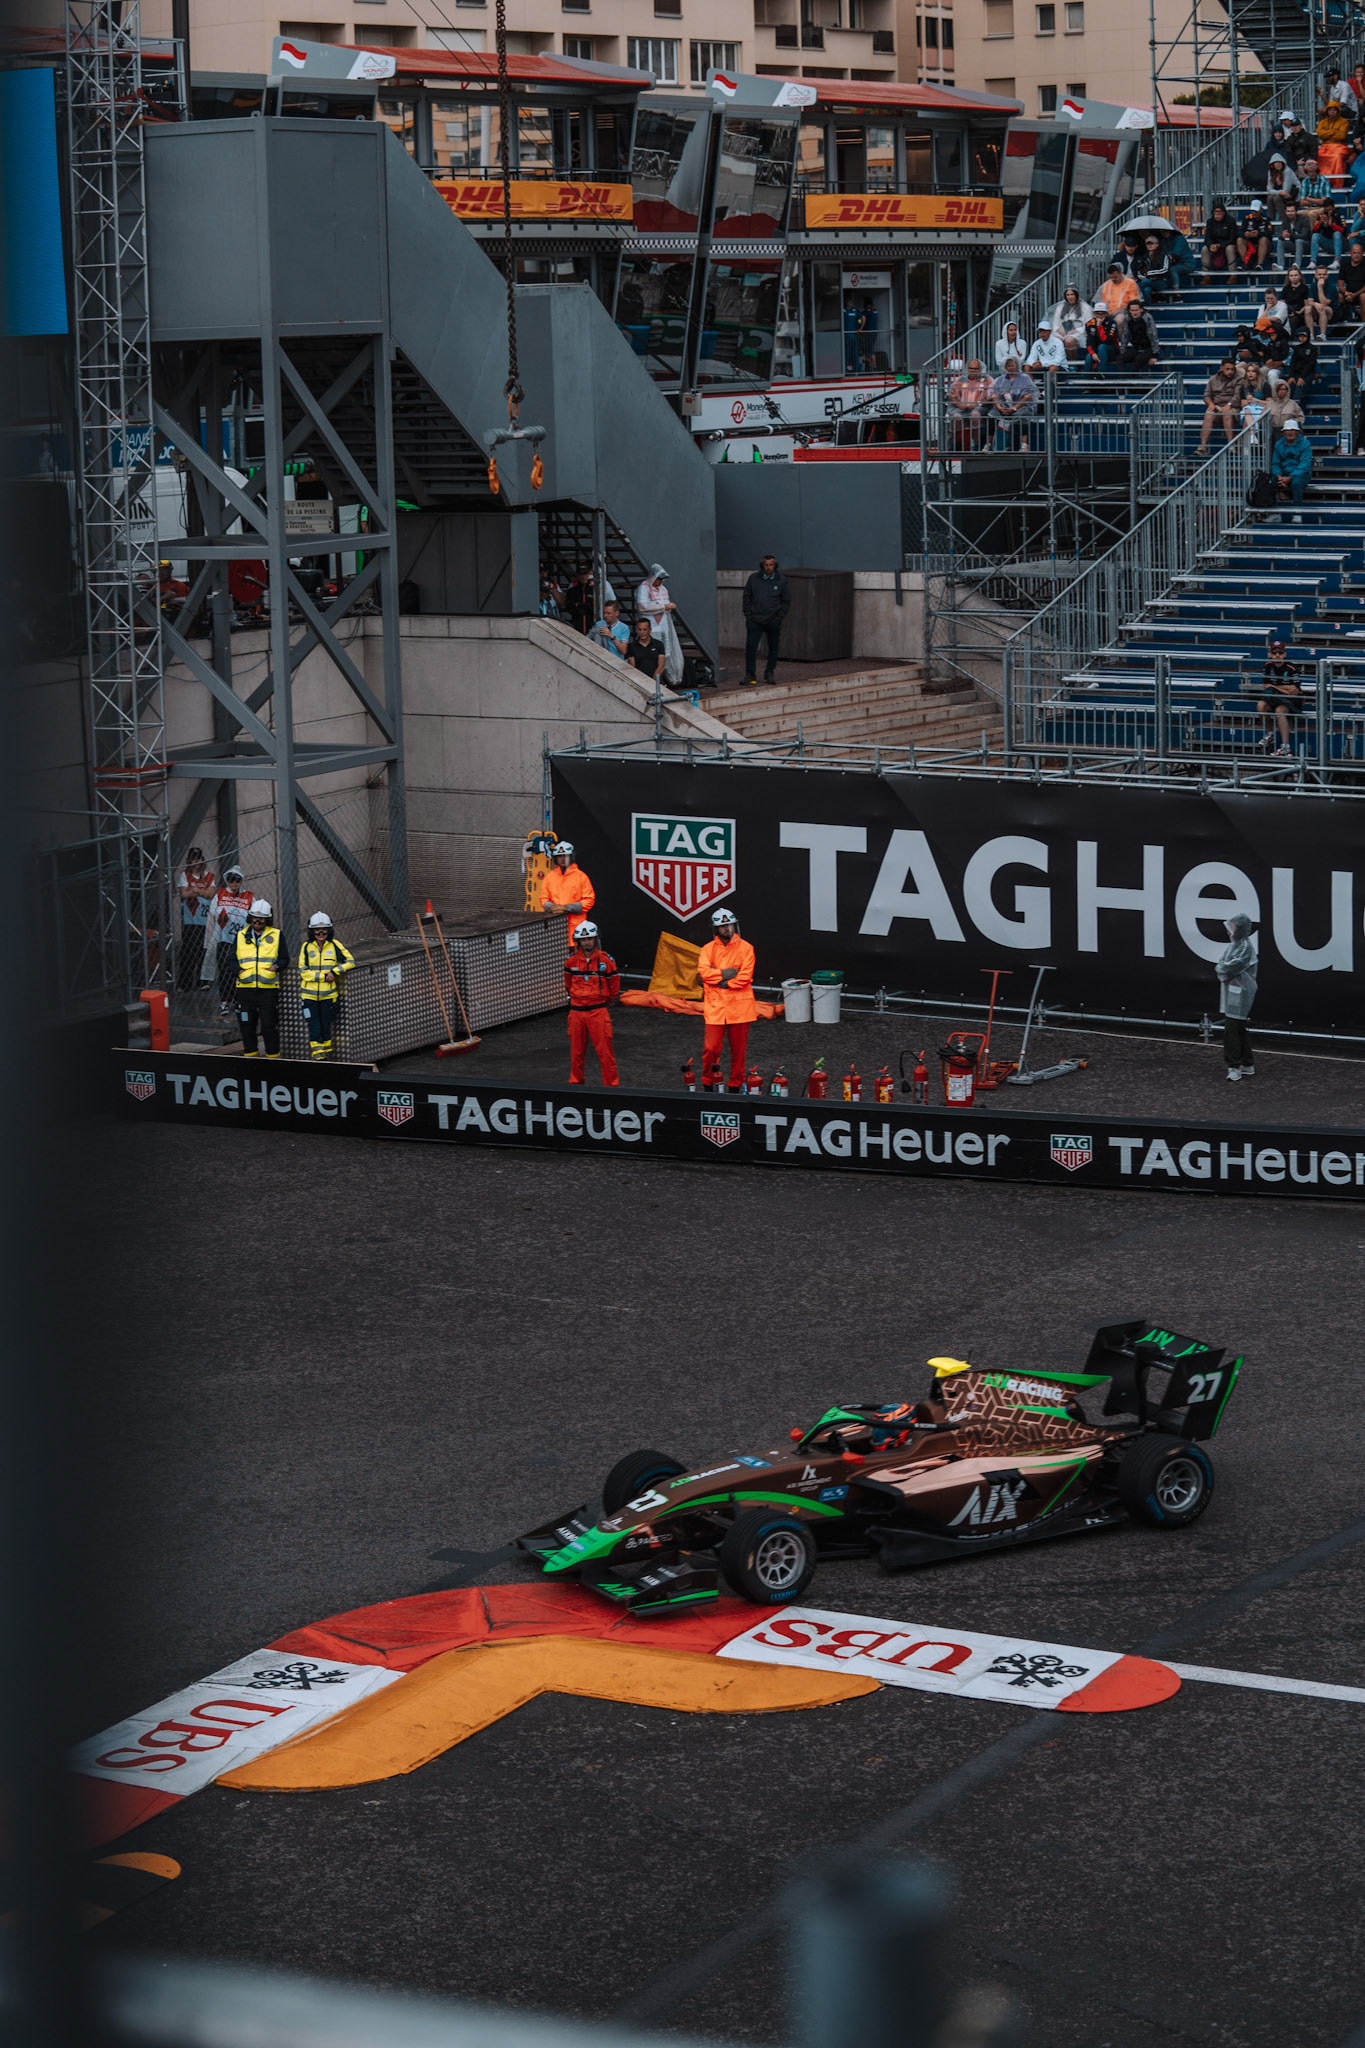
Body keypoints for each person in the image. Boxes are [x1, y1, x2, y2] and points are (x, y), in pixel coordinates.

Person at [697, 907, 756, 1094]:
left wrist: (722, 982)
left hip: (740, 1008)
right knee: (711, 1048)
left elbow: (745, 977)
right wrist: (726, 973)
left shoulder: (746, 948)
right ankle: (708, 1082)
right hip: (715, 1007)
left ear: (734, 925)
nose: (727, 929)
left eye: (729, 925)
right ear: (716, 928)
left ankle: (735, 1086)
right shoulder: (707, 949)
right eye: (723, 926)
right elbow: (704, 973)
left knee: (738, 1052)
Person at [563, 919, 620, 1086]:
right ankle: (576, 1085)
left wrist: (602, 1001)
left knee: (606, 1053)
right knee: (576, 1054)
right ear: (578, 941)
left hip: (598, 1012)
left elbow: (614, 987)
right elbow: (568, 984)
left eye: (590, 939)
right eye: (584, 940)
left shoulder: (606, 961)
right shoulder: (570, 961)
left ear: (596, 939)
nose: (587, 942)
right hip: (577, 1012)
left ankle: (611, 1088)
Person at [297, 910, 353, 1061]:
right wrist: (323, 977)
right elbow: (303, 971)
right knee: (314, 1024)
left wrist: (335, 972)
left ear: (329, 930)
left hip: (328, 995)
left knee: (325, 1024)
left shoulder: (335, 945)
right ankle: (318, 1054)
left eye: (324, 930)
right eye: (317, 930)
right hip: (309, 996)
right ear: (311, 931)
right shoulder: (306, 947)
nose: (321, 933)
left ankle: (326, 1053)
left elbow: (350, 962)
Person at [235, 899, 284, 1059]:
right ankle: (251, 1057)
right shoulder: (240, 936)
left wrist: (276, 967)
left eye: (261, 918)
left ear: (267, 919)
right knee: (246, 1026)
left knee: (269, 1026)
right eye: (255, 917)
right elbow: (230, 959)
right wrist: (238, 971)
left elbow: (284, 958)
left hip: (267, 990)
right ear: (250, 917)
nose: (257, 921)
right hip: (245, 989)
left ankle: (273, 1057)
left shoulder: (277, 935)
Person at [1215, 914, 1258, 1080]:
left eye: (1233, 927)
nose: (1229, 930)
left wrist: (1220, 969)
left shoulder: (1244, 947)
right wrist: (1221, 967)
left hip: (1240, 992)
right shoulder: (1236, 945)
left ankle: (1234, 1067)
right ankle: (1247, 1063)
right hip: (1235, 991)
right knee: (1238, 1027)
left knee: (1231, 1029)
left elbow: (1230, 967)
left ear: (1240, 929)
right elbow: (1224, 963)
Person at [206, 863, 253, 1010]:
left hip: (241, 941)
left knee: (240, 970)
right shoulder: (220, 895)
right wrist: (209, 940)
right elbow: (211, 916)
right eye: (231, 880)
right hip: (223, 939)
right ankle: (225, 1001)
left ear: (241, 880)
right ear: (227, 880)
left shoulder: (249, 896)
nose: (234, 883)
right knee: (225, 971)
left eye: (237, 880)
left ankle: (238, 1000)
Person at [1249, 639, 1305, 754]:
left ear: (1285, 654)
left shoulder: (1292, 668)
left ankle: (1285, 748)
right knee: (1261, 705)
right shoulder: (1267, 666)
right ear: (1270, 654)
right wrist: (1285, 688)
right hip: (1274, 697)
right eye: (1274, 653)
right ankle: (1270, 734)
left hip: (1291, 701)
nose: (1277, 655)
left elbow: (1294, 691)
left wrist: (1275, 687)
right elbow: (1267, 686)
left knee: (1279, 711)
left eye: (1280, 652)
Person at [742, 553, 790, 684]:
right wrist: (748, 615)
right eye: (766, 565)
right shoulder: (754, 578)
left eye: (771, 565)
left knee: (773, 647)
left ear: (775, 565)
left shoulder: (782, 580)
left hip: (773, 619)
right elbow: (747, 597)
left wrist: (779, 617)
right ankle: (750, 674)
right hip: (755, 619)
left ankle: (769, 673)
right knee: (751, 646)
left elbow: (786, 601)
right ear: (762, 565)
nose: (768, 567)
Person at [176, 846, 215, 992]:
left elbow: (210, 894)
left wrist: (195, 890)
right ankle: (184, 984)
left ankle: (202, 981)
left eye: (198, 858)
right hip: (190, 920)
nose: (196, 861)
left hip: (205, 920)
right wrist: (202, 891)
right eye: (193, 858)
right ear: (189, 860)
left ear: (201, 859)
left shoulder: (209, 876)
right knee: (188, 951)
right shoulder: (185, 875)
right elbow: (184, 894)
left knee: (203, 951)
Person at [635, 564, 682, 683]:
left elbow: (665, 605)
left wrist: (669, 606)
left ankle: (665, 677)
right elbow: (642, 607)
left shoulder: (663, 589)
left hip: (663, 625)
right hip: (651, 626)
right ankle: (653, 678)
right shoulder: (644, 588)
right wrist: (663, 607)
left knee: (666, 652)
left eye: (662, 579)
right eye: (659, 579)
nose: (660, 582)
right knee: (652, 653)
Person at [540, 840, 595, 936]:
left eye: (565, 856)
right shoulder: (550, 877)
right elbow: (543, 898)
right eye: (560, 856)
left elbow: (589, 900)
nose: (563, 859)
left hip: (576, 928)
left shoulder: (581, 877)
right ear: (555, 858)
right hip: (555, 925)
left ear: (571, 857)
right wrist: (551, 907)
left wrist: (568, 908)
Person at [1198, 358, 1245, 452]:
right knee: (1209, 413)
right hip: (1217, 406)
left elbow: (1237, 396)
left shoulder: (1239, 379)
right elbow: (1207, 395)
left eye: (1232, 369)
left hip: (1233, 408)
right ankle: (1203, 446)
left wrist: (1229, 404)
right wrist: (1211, 404)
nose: (1230, 372)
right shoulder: (1213, 379)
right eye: (1227, 369)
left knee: (1227, 413)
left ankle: (1231, 445)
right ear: (1221, 368)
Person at [1270, 417, 1312, 518]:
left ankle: (1297, 513)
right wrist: (1279, 476)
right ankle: (1274, 513)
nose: (1290, 432)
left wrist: (1290, 477)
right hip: (1284, 473)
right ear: (1283, 432)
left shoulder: (1305, 444)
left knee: (1296, 483)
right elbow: (1275, 462)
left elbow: (1304, 464)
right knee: (1271, 481)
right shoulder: (1279, 444)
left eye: (1293, 430)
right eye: (1287, 430)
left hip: (1301, 474)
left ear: (1297, 432)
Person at [947, 359, 992, 446]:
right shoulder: (960, 379)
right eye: (971, 368)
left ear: (980, 369)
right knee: (956, 417)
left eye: (976, 369)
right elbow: (952, 396)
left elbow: (991, 397)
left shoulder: (987, 379)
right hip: (962, 408)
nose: (973, 371)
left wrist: (978, 404)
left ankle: (977, 444)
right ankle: (955, 444)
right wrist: (959, 405)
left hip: (981, 407)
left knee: (975, 415)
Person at [1048, 284, 1092, 359]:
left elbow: (1089, 324)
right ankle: (1057, 363)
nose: (1070, 297)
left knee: (1069, 341)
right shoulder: (1060, 307)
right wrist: (1058, 329)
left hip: (1079, 334)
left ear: (1077, 295)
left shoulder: (1086, 307)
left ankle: (1072, 363)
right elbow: (1055, 323)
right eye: (1068, 295)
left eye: (1072, 294)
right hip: (1062, 332)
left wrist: (1076, 330)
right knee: (1054, 340)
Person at [1118, 303, 1159, 370]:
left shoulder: (1147, 317)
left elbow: (1153, 335)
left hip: (1149, 348)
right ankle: (1123, 376)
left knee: (1139, 359)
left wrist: (1155, 355)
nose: (1134, 312)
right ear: (1129, 311)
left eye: (1136, 310)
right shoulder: (1127, 318)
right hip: (1136, 348)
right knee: (1119, 358)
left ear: (1141, 310)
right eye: (1132, 310)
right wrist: (1123, 351)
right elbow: (1125, 335)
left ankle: (1133, 376)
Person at [625, 615, 666, 681]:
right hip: (639, 682)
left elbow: (661, 666)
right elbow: (633, 667)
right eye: (639, 629)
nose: (642, 632)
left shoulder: (658, 644)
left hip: (657, 683)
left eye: (644, 629)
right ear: (637, 630)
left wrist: (652, 682)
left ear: (650, 630)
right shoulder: (631, 646)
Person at [1284, 326, 1318, 405]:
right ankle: (1286, 404)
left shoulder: (1313, 348)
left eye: (1304, 336)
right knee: (1290, 384)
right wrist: (1291, 376)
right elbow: (1293, 362)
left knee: (1300, 385)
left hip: (1307, 373)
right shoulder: (1296, 348)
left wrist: (1302, 377)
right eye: (1300, 336)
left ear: (1308, 336)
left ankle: (1296, 405)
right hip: (1296, 373)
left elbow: (1311, 364)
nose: (1302, 338)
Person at [1201, 202, 1238, 274]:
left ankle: (1233, 273)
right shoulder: (1210, 221)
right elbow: (1207, 237)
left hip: (1227, 244)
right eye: (1215, 212)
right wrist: (1211, 245)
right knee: (1205, 249)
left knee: (1230, 248)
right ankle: (1206, 274)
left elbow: (1233, 239)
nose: (1217, 214)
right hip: (1214, 245)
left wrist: (1220, 245)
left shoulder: (1231, 221)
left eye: (1219, 212)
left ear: (1224, 212)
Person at [1305, 259, 1338, 338]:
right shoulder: (1313, 285)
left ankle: (1323, 334)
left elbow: (1325, 303)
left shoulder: (1332, 286)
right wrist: (1315, 304)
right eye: (1319, 274)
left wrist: (1320, 287)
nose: (1321, 276)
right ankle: (1311, 335)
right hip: (1318, 310)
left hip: (1332, 312)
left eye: (1324, 274)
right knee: (1308, 308)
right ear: (1315, 275)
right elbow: (1309, 301)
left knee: (1322, 308)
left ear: (1327, 275)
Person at [1310, 198, 1347, 266]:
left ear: (1333, 208)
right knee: (1315, 235)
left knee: (1336, 233)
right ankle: (1313, 261)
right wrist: (1320, 223)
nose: (1328, 212)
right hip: (1329, 244)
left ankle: (1337, 260)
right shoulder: (1321, 216)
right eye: (1326, 210)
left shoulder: (1339, 215)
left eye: (1329, 210)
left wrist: (1332, 225)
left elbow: (1344, 231)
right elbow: (1314, 231)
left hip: (1341, 245)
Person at [1236, 201, 1271, 270]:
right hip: (1250, 244)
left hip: (1264, 245)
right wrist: (1245, 234)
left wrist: (1259, 233)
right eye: (1253, 211)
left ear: (1261, 210)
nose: (1254, 213)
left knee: (1263, 239)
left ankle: (1259, 264)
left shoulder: (1266, 220)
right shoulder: (1247, 219)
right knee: (1239, 240)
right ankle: (1245, 263)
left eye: (1256, 211)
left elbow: (1270, 233)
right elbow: (1239, 232)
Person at [1337, 238, 1365, 318]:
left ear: (1362, 253)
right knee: (1339, 296)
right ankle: (1340, 319)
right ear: (1350, 253)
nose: (1356, 255)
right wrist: (1346, 293)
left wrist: (1355, 295)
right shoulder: (1344, 266)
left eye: (1358, 253)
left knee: (1363, 297)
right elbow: (1340, 284)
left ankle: (1363, 323)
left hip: (1361, 294)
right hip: (1348, 294)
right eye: (1354, 253)